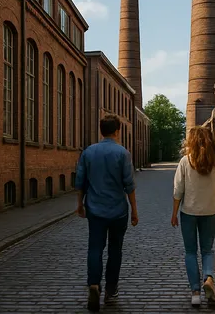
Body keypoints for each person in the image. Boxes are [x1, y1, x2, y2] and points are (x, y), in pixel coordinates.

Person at [75, 114, 139, 312]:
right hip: (118, 211)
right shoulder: (122, 153)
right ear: (117, 131)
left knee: (95, 248)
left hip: (94, 209)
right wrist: (135, 211)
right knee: (114, 251)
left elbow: (80, 181)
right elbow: (129, 185)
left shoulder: (89, 152)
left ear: (101, 130)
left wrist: (80, 204)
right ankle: (111, 292)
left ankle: (94, 284)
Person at [171, 126, 215, 307]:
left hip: (188, 212)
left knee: (190, 252)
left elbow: (178, 190)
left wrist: (174, 214)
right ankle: (208, 278)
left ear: (192, 141)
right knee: (207, 250)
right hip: (211, 212)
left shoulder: (185, 162)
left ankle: (195, 292)